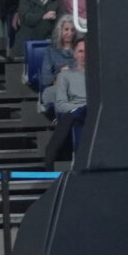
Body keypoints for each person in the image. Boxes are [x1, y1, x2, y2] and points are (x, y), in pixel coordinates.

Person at [43, 37, 87, 167]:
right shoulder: (65, 76)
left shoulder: (100, 74)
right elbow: (61, 105)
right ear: (74, 54)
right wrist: (81, 107)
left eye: (86, 51)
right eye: (80, 51)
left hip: (96, 110)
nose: (84, 55)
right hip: (77, 112)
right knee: (74, 116)